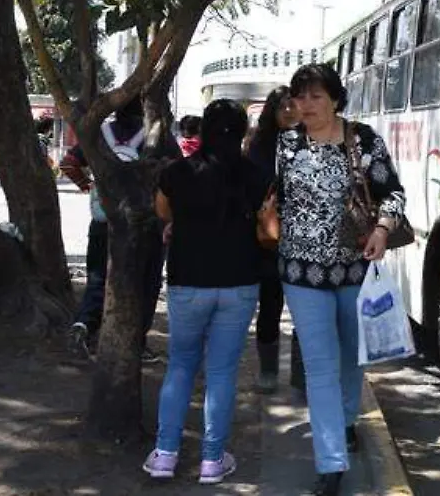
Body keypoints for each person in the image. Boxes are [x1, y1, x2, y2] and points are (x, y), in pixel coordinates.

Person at [277, 64, 406, 496]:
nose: (306, 105)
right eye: (299, 97)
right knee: (319, 364)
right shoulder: (287, 143)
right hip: (300, 273)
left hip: (354, 270)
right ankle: (331, 462)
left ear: (335, 99)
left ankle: (346, 420)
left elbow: (393, 192)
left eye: (315, 96)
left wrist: (383, 229)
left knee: (352, 357)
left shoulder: (363, 139)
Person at [142, 99, 269, 484]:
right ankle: (213, 460)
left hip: (188, 282)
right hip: (240, 283)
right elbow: (268, 224)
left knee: (180, 365)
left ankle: (165, 455)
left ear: (204, 132)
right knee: (222, 371)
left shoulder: (177, 172)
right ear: (244, 131)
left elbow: (163, 212)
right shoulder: (256, 175)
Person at [62, 98, 165, 363]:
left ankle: (83, 327)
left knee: (97, 279)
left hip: (102, 219)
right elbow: (171, 172)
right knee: (144, 283)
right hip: (142, 223)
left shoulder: (98, 135)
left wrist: (89, 186)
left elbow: (67, 164)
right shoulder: (154, 136)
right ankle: (137, 343)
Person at [244, 86, 298, 392]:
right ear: (272, 111)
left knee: (308, 310)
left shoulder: (312, 140)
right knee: (271, 306)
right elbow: (251, 188)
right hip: (270, 241)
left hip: (307, 240)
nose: (290, 111)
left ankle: (302, 373)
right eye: (283, 106)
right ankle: (268, 370)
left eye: (294, 105)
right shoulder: (259, 146)